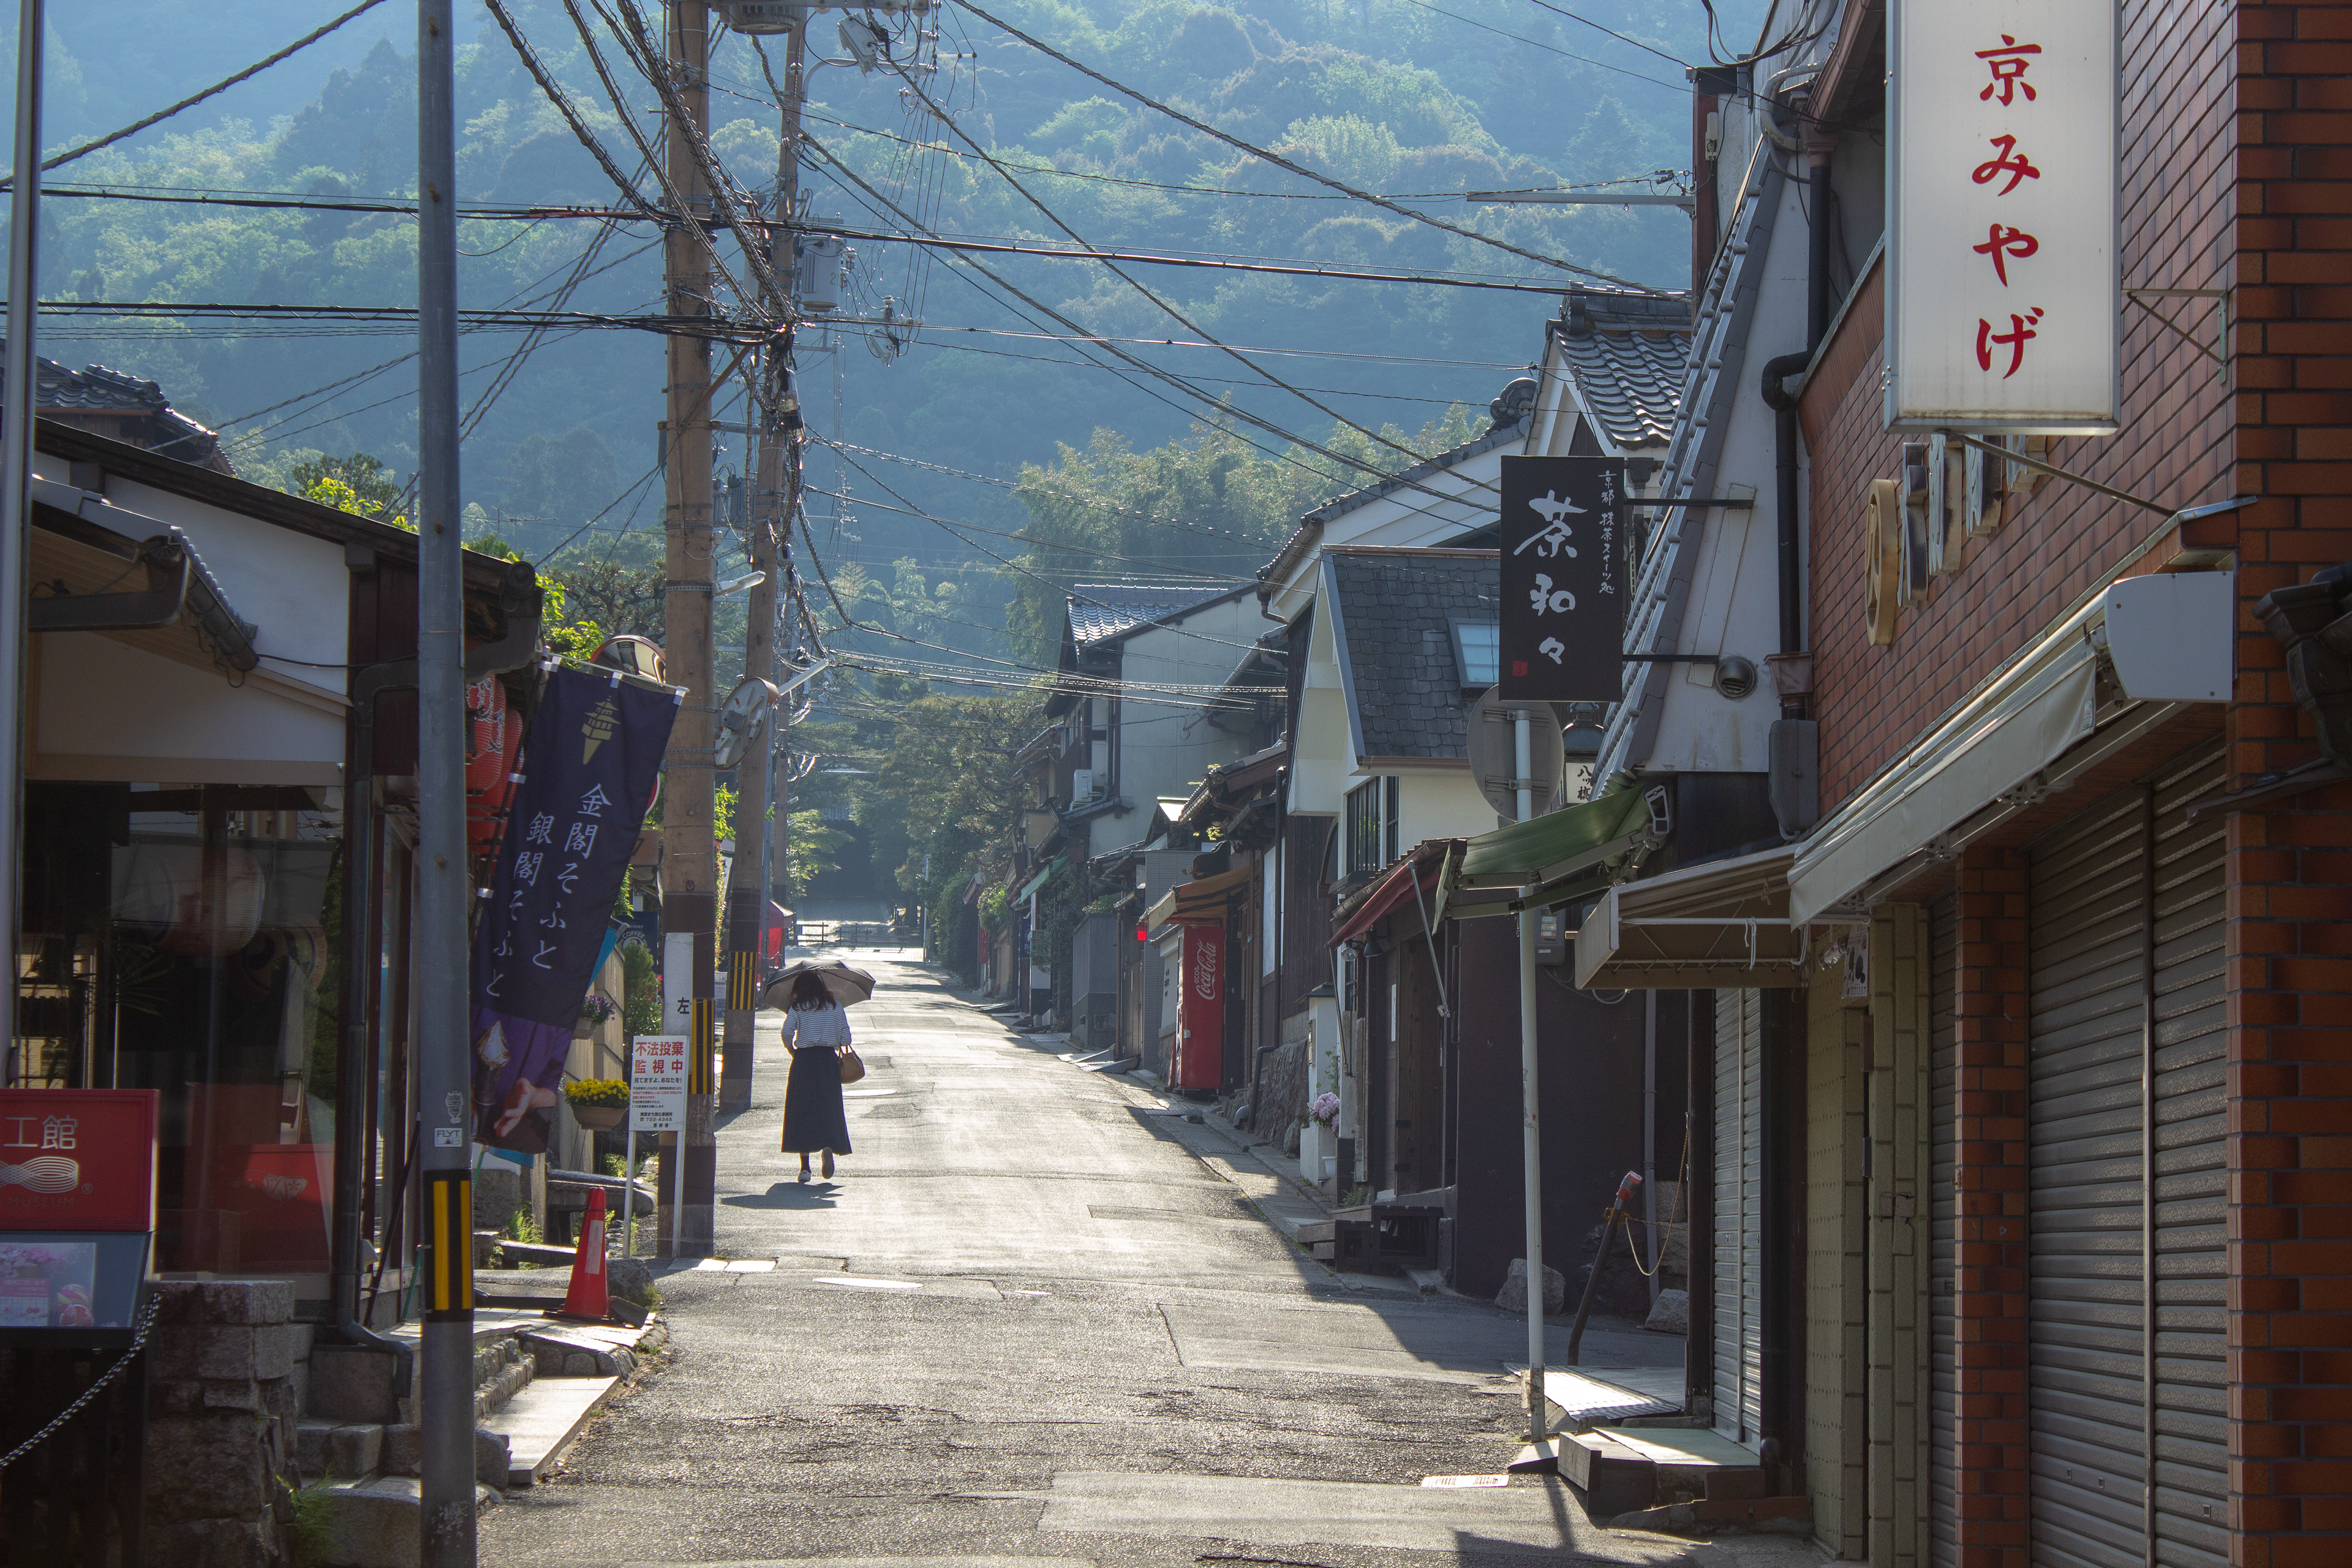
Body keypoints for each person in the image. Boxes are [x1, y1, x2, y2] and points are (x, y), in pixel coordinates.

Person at [780, 971, 853, 1182]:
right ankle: (828, 1146)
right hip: (827, 1062)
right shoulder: (835, 1007)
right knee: (828, 1107)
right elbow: (846, 1037)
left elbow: (786, 1033)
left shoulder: (797, 1008)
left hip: (803, 1062)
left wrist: (792, 1050)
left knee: (801, 1110)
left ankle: (805, 1169)